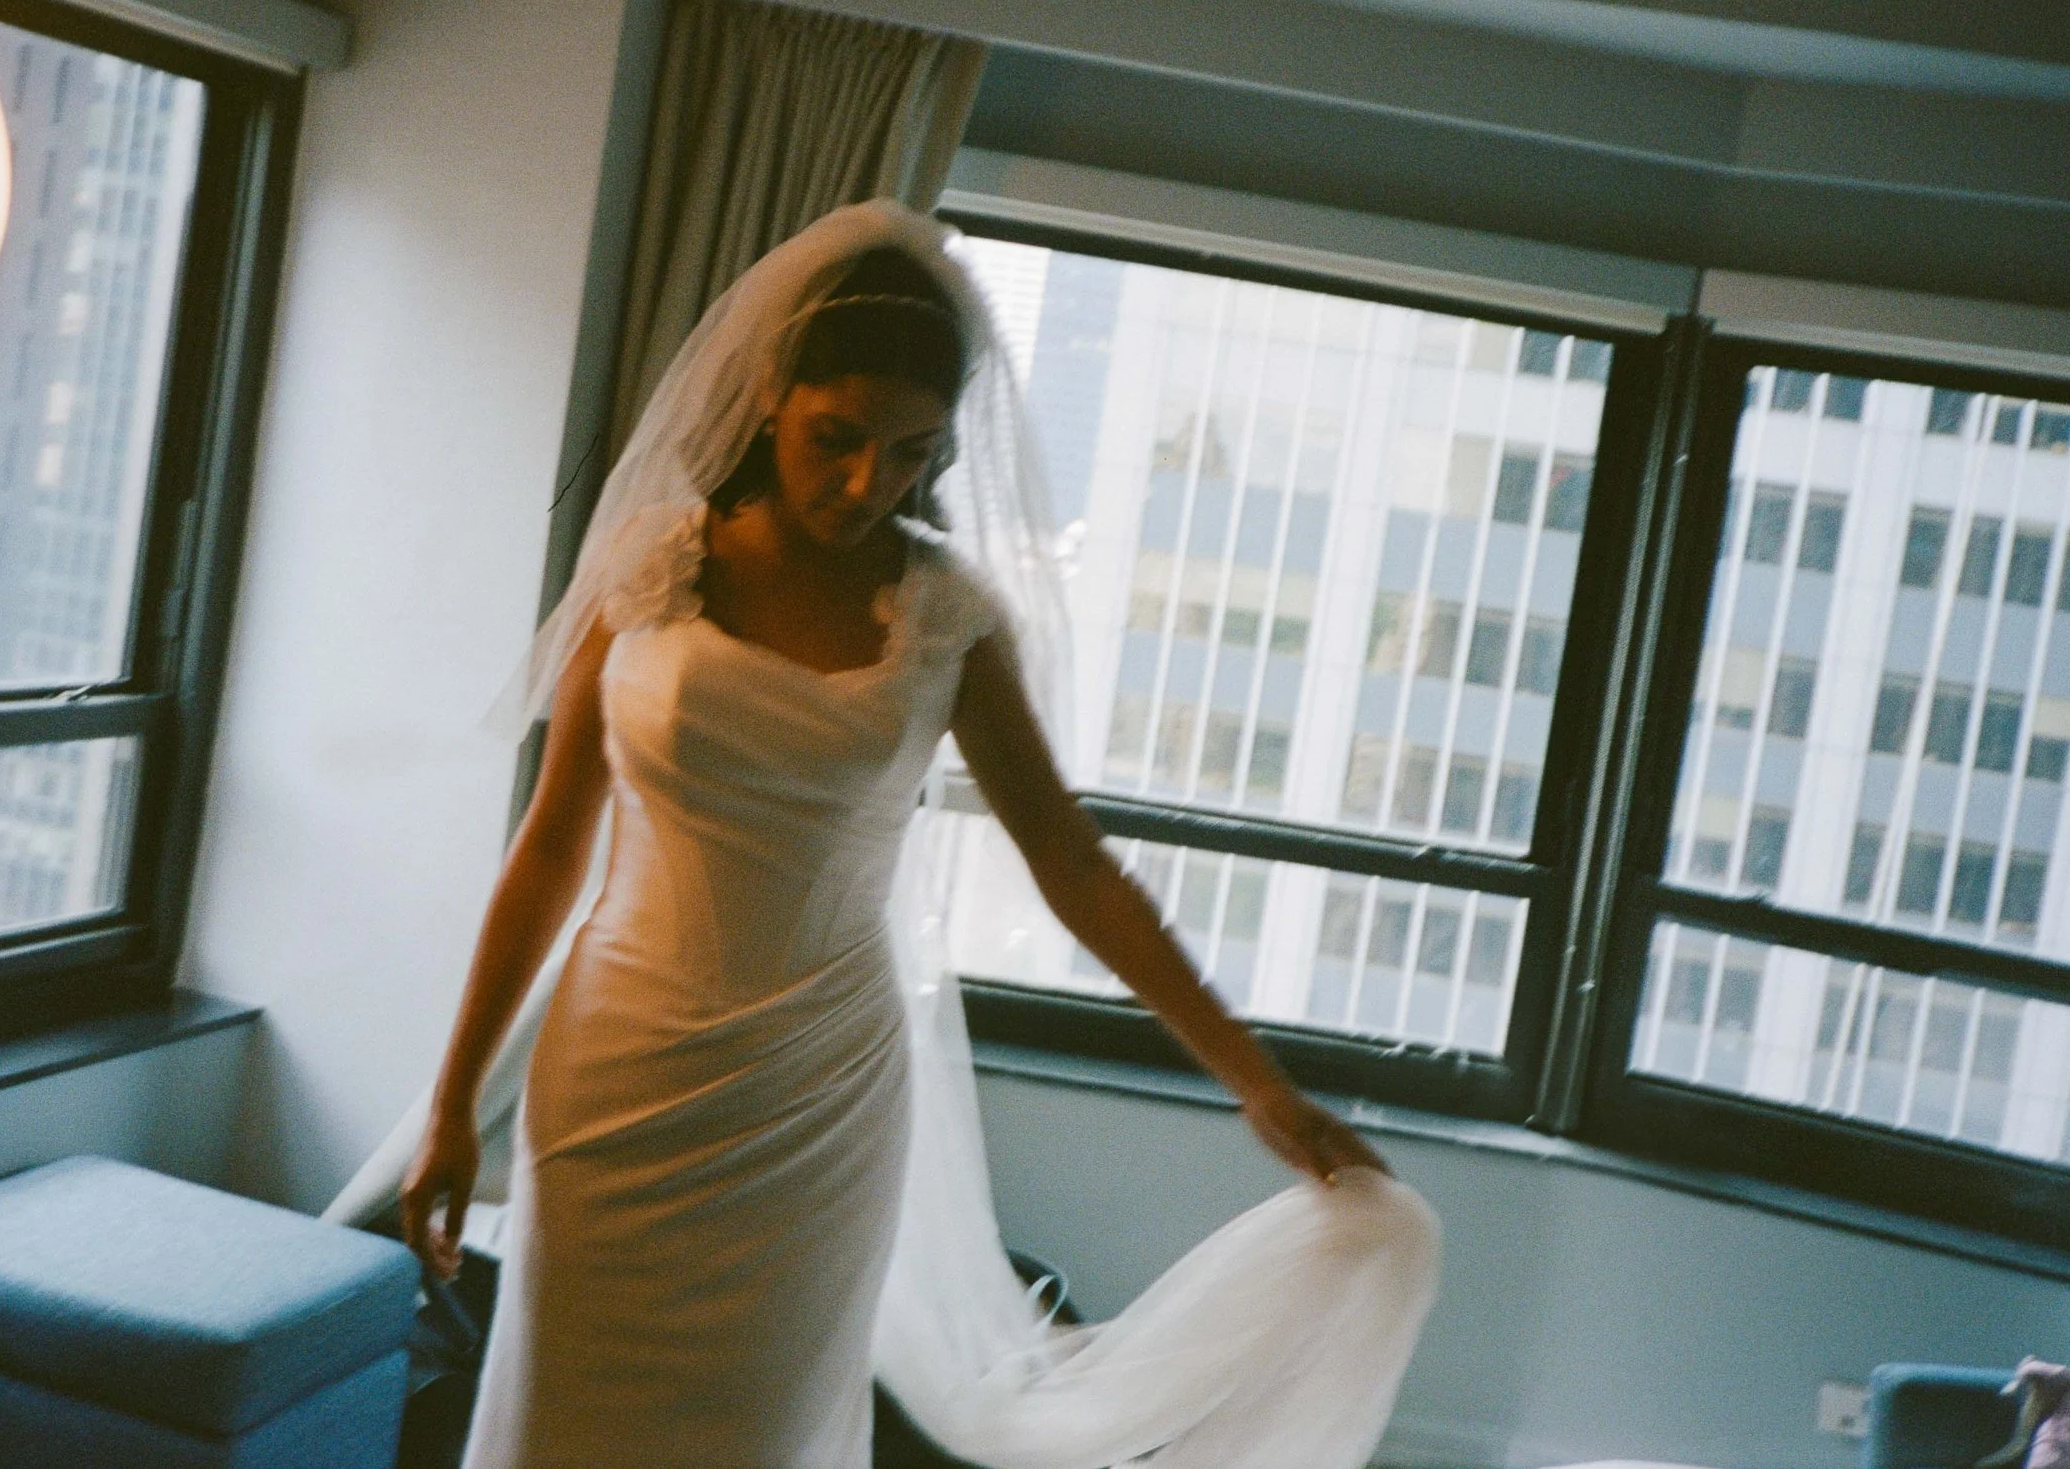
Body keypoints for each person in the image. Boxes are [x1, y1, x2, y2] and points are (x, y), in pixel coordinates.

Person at [388, 200, 1441, 1468]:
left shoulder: (946, 619)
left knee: (755, 1429)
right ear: (769, 394)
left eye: (906, 451)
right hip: (615, 1072)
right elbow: (551, 849)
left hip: (814, 1095)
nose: (863, 483)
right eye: (836, 437)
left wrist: (1253, 1080)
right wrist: (449, 1106)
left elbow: (1074, 869)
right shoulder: (647, 574)